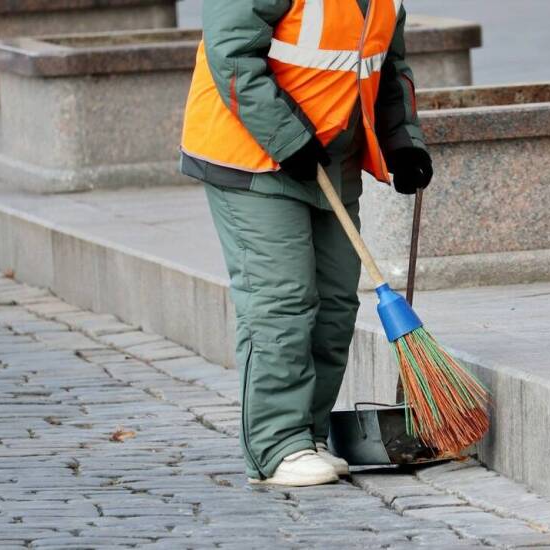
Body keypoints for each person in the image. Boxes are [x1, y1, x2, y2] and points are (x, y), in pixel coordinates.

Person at [179, 0, 432, 487]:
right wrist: (286, 137)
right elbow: (232, 53)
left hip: (329, 161)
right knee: (282, 301)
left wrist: (403, 141)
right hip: (252, 158)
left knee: (336, 303)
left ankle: (308, 433)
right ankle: (277, 445)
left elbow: (386, 64)